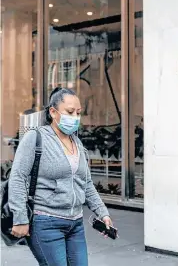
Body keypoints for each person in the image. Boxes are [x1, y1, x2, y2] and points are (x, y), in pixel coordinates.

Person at [8, 87, 113, 266]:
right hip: (45, 222)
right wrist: (20, 218)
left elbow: (86, 183)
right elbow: (18, 177)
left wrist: (102, 213)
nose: (75, 117)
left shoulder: (77, 142)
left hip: (76, 224)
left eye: (78, 113)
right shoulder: (35, 138)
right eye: (70, 112)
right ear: (53, 112)